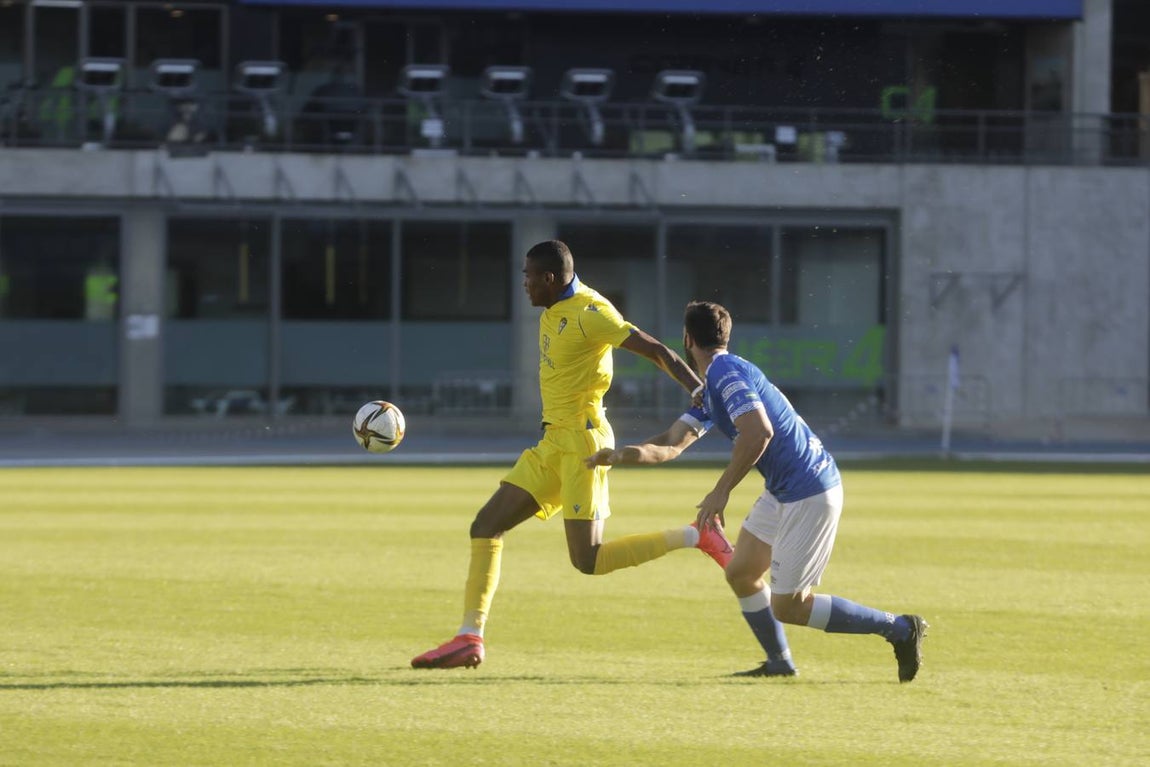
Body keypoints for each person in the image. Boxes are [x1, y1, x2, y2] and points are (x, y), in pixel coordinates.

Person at [411, 241, 733, 670]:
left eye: (528, 275)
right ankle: (469, 637)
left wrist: (700, 392)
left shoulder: (591, 312)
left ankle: (696, 536)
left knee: (588, 560)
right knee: (486, 525)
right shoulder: (552, 310)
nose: (523, 283)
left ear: (548, 278)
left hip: (584, 445)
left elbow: (659, 351)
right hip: (551, 443)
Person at [586, 300, 928, 682]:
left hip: (810, 490)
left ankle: (900, 628)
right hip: (785, 490)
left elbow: (759, 432)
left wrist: (721, 491)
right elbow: (670, 443)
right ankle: (779, 662)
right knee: (742, 573)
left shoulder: (726, 373)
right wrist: (619, 455)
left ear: (687, 339)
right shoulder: (712, 387)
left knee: (790, 606)